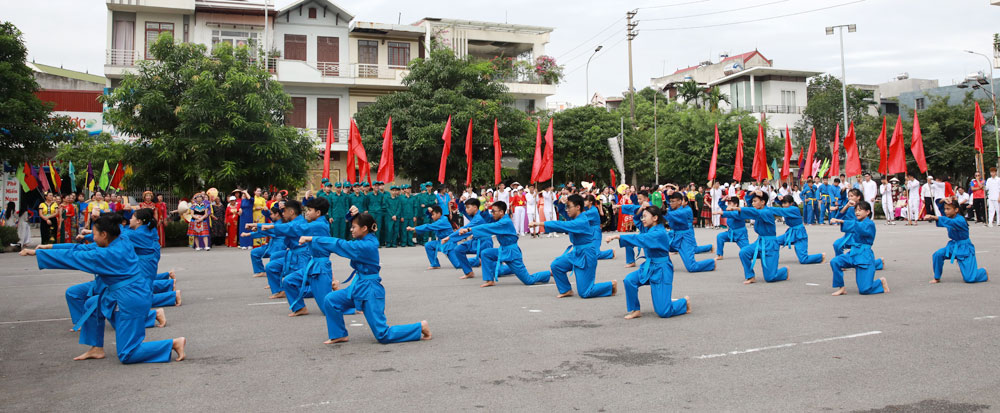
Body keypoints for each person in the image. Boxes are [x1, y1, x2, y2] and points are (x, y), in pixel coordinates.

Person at [20, 215, 186, 363]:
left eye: (95, 234)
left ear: (104, 235)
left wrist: (39, 254)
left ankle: (172, 344)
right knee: (91, 305)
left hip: (130, 298)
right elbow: (82, 249)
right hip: (126, 292)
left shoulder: (105, 255)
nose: (93, 237)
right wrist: (47, 248)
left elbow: (73, 257)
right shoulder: (122, 240)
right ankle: (96, 348)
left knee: (128, 353)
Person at [301, 213, 431, 345]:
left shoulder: (366, 246)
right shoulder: (365, 240)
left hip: (370, 290)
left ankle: (420, 327)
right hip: (359, 285)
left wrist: (313, 238)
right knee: (331, 300)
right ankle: (338, 334)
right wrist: (352, 213)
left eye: (354, 227)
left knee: (383, 335)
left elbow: (340, 244)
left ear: (364, 228)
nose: (351, 230)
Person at [605, 205, 689, 320]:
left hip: (662, 270)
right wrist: (640, 209)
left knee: (663, 311)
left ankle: (684, 303)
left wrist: (617, 236)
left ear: (655, 218)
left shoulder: (658, 233)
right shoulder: (649, 228)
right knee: (630, 280)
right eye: (642, 217)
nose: (642, 219)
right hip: (649, 267)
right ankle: (635, 309)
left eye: (645, 216)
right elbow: (636, 220)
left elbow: (640, 239)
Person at [252, 199, 332, 317]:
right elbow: (284, 229)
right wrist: (260, 227)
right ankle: (299, 307)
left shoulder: (318, 225)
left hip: (315, 264)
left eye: (309, 210)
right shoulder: (314, 223)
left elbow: (294, 229)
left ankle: (352, 302)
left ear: (318, 213)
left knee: (329, 307)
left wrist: (263, 227)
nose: (307, 213)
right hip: (312, 263)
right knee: (288, 280)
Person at [528, 194, 617, 299]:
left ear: (578, 207)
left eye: (569, 207)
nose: (567, 210)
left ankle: (610, 286)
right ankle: (566, 290)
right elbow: (561, 211)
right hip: (577, 252)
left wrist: (539, 223)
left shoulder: (581, 221)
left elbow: (561, 225)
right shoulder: (574, 217)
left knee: (585, 292)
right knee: (556, 265)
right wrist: (561, 202)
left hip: (586, 255)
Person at [467, 201, 548, 287]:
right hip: (503, 250)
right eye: (492, 211)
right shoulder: (500, 219)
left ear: (501, 212)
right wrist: (485, 210)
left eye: (494, 211)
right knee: (485, 253)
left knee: (528, 280)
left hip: (512, 252)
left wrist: (470, 229)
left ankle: (549, 273)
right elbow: (488, 219)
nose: (492, 213)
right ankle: (489, 280)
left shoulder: (505, 222)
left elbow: (488, 227)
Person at [727, 190, 795, 284]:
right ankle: (750, 276)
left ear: (763, 202)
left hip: (770, 246)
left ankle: (784, 271)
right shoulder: (758, 210)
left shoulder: (766, 212)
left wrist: (738, 209)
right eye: (753, 201)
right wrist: (750, 194)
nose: (753, 203)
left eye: (755, 201)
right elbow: (751, 208)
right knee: (744, 252)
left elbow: (753, 212)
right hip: (759, 243)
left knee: (770, 278)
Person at [829, 201, 888, 296]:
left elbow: (859, 227)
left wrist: (842, 221)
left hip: (864, 257)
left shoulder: (869, 224)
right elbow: (845, 220)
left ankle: (880, 283)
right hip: (853, 253)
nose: (857, 212)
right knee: (835, 261)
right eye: (856, 210)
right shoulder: (857, 221)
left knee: (864, 290)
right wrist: (845, 209)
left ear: (868, 212)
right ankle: (842, 288)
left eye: (860, 210)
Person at [925, 198, 989, 284]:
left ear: (956, 210)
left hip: (965, 248)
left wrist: (933, 217)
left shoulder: (960, 220)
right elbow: (939, 205)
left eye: (948, 209)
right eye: (945, 209)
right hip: (953, 246)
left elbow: (948, 221)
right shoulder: (950, 215)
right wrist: (943, 200)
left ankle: (983, 272)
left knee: (969, 279)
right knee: (938, 254)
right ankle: (937, 277)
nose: (946, 211)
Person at [441, 198, 492, 279]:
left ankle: (510, 268)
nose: (466, 209)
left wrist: (449, 237)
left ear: (475, 207)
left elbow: (466, 229)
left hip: (484, 243)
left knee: (496, 270)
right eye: (466, 207)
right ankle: (469, 272)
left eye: (468, 207)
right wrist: (460, 202)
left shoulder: (479, 218)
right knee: (459, 249)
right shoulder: (474, 215)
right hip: (475, 241)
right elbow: (462, 210)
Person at [664, 192, 715, 273]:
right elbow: (668, 209)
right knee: (661, 245)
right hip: (674, 235)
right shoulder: (673, 209)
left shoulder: (685, 211)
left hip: (685, 237)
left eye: (673, 201)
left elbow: (669, 214)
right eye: (670, 202)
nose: (671, 203)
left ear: (680, 202)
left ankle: (711, 263)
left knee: (692, 266)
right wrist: (666, 194)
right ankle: (667, 266)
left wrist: (656, 211)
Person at [775, 195, 825, 264]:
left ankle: (821, 256)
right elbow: (779, 203)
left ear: (791, 203)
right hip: (791, 233)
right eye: (783, 203)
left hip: (799, 234)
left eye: (785, 203)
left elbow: (778, 210)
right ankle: (773, 259)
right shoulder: (786, 207)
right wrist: (779, 197)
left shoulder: (793, 209)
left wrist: (764, 209)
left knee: (803, 259)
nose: (783, 205)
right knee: (775, 241)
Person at [408, 206, 455, 270]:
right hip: (441, 242)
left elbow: (428, 226)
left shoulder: (442, 221)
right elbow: (428, 215)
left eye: (433, 214)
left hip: (449, 244)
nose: (432, 216)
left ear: (438, 214)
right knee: (428, 245)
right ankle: (435, 264)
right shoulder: (439, 219)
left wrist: (414, 228)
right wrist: (428, 211)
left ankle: (473, 261)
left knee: (458, 264)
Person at [714, 196, 750, 261]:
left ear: (735, 205)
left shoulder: (739, 212)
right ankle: (720, 255)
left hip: (740, 235)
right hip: (730, 233)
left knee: (748, 251)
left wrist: (722, 213)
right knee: (720, 236)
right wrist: (724, 199)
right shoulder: (728, 209)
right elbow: (721, 204)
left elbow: (732, 214)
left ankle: (762, 252)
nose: (728, 205)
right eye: (728, 203)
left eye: (730, 203)